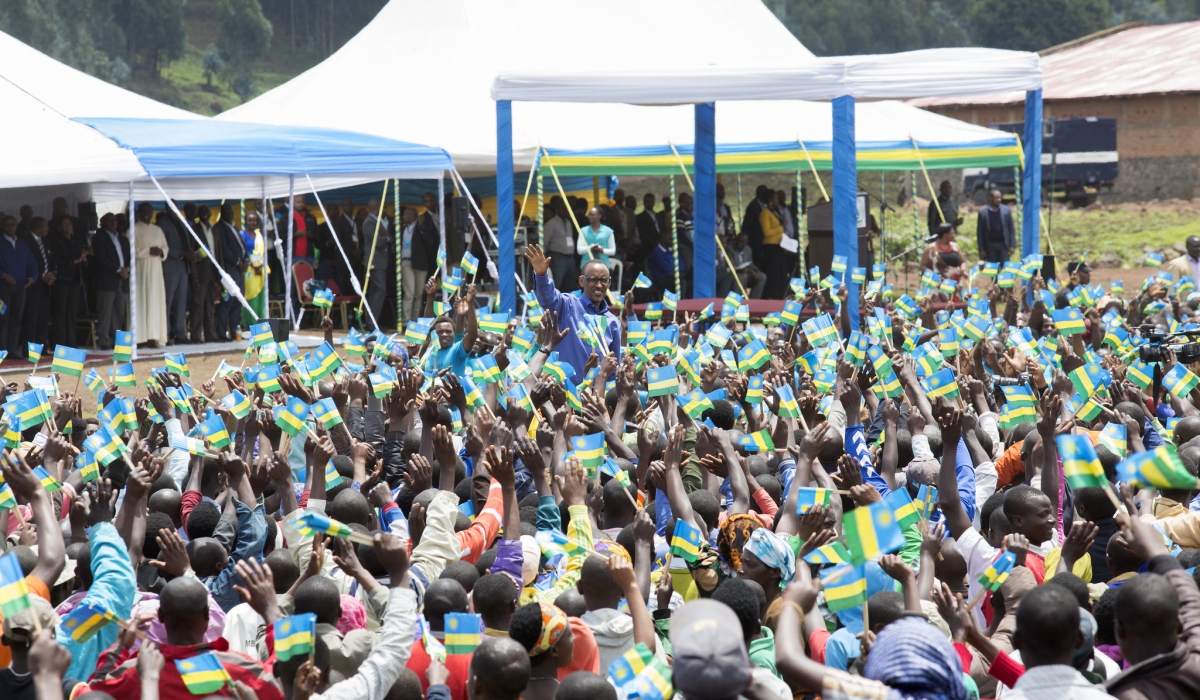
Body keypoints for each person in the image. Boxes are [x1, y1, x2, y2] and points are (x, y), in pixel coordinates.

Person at [525, 243, 620, 383]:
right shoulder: (567, 305)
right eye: (593, 280)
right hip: (564, 395)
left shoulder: (613, 322)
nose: (599, 285)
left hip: (596, 397)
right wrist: (541, 275)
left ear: (609, 283)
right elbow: (548, 298)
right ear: (581, 281)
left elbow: (613, 370)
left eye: (603, 280)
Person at [92, 212, 130, 350]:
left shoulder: (122, 238)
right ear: (103, 223)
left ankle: (117, 339)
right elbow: (101, 258)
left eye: (114, 220)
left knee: (119, 310)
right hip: (107, 279)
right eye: (109, 220)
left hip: (121, 279)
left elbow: (128, 257)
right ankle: (104, 339)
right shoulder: (100, 237)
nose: (113, 222)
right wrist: (117, 269)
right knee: (106, 311)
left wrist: (127, 269)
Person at [134, 203, 169, 347]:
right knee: (141, 301)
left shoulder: (158, 229)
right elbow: (132, 251)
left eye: (149, 210)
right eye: (144, 211)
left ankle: (154, 337)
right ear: (139, 213)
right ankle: (140, 338)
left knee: (155, 301)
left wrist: (160, 252)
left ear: (153, 212)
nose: (146, 213)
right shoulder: (134, 229)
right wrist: (148, 251)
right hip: (141, 270)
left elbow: (165, 247)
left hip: (156, 270)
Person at [0, 215, 36, 355]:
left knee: (16, 318)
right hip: (3, 287)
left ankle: (13, 349)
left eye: (13, 224)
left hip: (20, 287)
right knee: (2, 318)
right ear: (3, 226)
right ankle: (2, 350)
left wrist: (32, 277)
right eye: (8, 225)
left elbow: (32, 263)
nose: (11, 227)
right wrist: (3, 275)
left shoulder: (22, 244)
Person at [48, 216, 86, 347]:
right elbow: (57, 261)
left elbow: (82, 259)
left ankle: (71, 340)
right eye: (64, 224)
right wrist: (75, 261)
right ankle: (60, 341)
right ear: (59, 228)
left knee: (72, 312)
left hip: (75, 279)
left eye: (69, 224)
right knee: (60, 312)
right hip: (62, 280)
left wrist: (83, 258)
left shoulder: (76, 241)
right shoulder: (57, 242)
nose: (67, 226)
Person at [157, 206, 191, 345]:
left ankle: (179, 333)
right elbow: (163, 247)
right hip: (170, 266)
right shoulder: (162, 224)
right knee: (167, 302)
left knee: (181, 302)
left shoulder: (180, 222)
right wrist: (181, 253)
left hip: (184, 266)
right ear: (167, 208)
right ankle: (166, 334)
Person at [20, 217, 55, 350]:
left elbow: (51, 260)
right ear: (38, 228)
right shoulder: (26, 241)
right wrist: (41, 276)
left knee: (43, 317)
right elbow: (27, 262)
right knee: (31, 318)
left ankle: (41, 347)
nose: (48, 229)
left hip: (45, 286)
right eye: (46, 226)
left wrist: (52, 273)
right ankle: (29, 349)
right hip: (33, 285)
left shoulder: (45, 242)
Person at [187, 204, 220, 344]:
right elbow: (192, 252)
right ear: (198, 214)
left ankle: (210, 335)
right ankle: (195, 336)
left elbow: (218, 252)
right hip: (200, 273)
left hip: (213, 272)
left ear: (212, 213)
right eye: (202, 211)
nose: (205, 213)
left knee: (210, 305)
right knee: (198, 305)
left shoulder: (214, 229)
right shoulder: (194, 230)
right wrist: (194, 276)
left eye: (207, 211)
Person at [213, 203, 247, 342]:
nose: (229, 215)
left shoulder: (234, 227)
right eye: (226, 212)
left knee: (238, 301)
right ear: (221, 213)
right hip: (229, 270)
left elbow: (242, 247)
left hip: (239, 271)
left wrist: (246, 260)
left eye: (231, 212)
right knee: (227, 302)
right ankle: (222, 332)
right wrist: (237, 261)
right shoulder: (219, 228)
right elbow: (224, 249)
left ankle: (235, 332)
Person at [360, 197, 391, 331]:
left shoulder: (376, 221)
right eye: (383, 208)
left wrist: (385, 237)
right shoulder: (369, 222)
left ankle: (372, 322)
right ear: (377, 208)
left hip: (379, 261)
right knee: (379, 289)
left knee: (375, 291)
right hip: (375, 261)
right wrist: (387, 238)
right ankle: (372, 323)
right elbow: (378, 242)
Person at [542, 200, 576, 292]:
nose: (566, 211)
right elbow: (545, 242)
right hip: (558, 257)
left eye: (567, 209)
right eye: (563, 209)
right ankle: (554, 304)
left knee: (570, 282)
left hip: (570, 257)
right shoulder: (550, 224)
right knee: (557, 282)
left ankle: (568, 303)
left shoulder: (568, 222)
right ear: (557, 210)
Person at [976, 188, 1016, 263]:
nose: (999, 200)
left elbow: (1011, 229)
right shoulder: (983, 213)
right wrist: (981, 249)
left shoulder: (1006, 210)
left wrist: (1012, 245)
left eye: (1000, 197)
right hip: (990, 245)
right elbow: (980, 233)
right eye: (996, 198)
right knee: (992, 270)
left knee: (1005, 268)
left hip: (1003, 245)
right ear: (990, 198)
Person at [759, 190, 787, 299]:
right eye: (775, 198)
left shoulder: (774, 212)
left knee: (781, 273)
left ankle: (781, 295)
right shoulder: (765, 213)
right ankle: (773, 296)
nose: (778, 200)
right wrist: (781, 227)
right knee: (774, 274)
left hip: (779, 246)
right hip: (771, 247)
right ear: (770, 201)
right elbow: (766, 232)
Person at [241, 212, 267, 325]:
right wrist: (253, 264)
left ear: (257, 222)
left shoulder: (259, 235)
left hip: (260, 268)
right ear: (246, 221)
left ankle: (260, 320)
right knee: (250, 294)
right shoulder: (242, 234)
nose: (251, 222)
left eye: (254, 220)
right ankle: (249, 321)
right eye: (249, 220)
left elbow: (262, 252)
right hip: (249, 268)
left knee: (260, 296)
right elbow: (243, 251)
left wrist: (259, 264)